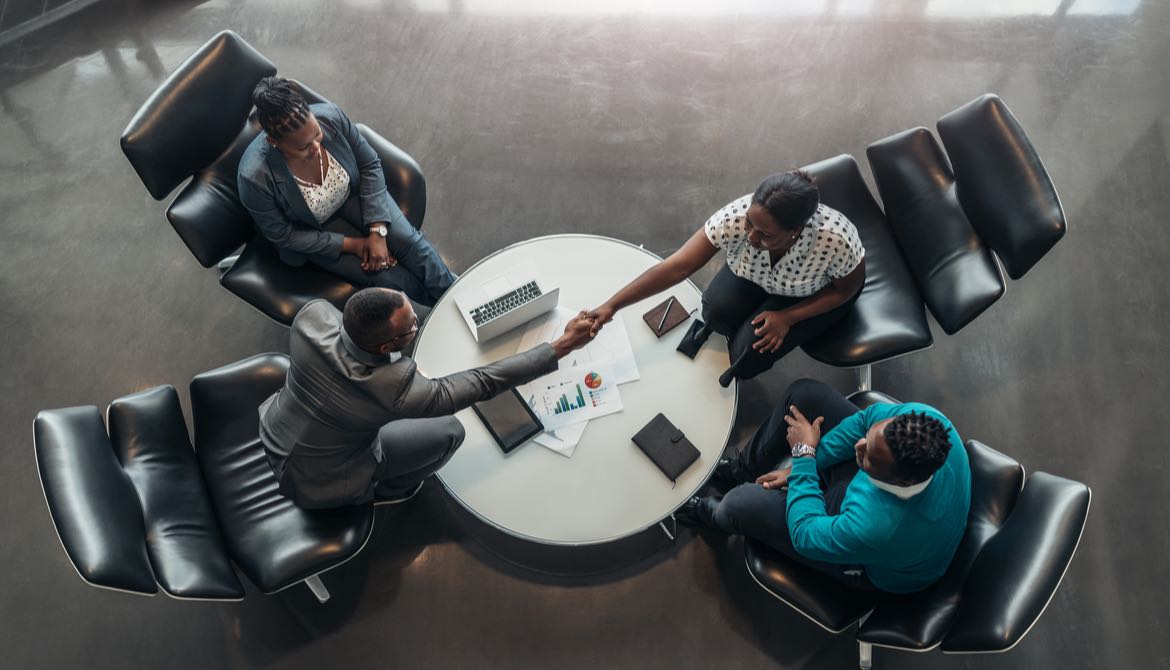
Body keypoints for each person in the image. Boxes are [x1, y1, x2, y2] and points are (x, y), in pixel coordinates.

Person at [258, 288, 596, 510]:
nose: (416, 323)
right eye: (411, 327)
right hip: (324, 479)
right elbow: (481, 383)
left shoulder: (312, 318)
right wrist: (562, 344)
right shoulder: (394, 388)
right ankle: (387, 490)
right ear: (387, 347)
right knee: (450, 431)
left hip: (275, 429)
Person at [677, 378, 971, 594]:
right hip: (875, 502)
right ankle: (742, 469)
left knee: (738, 504)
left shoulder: (874, 526)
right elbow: (862, 422)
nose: (860, 446)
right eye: (870, 439)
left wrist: (804, 456)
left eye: (869, 457)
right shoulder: (928, 422)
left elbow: (805, 534)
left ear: (902, 479)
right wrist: (801, 467)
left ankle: (708, 513)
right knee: (804, 394)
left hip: (877, 560)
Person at [587, 171, 865, 387]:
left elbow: (845, 291)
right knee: (715, 311)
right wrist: (612, 305)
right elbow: (678, 266)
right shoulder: (738, 217)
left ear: (795, 231)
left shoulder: (835, 240)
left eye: (765, 234)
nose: (752, 237)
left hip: (809, 294)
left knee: (749, 354)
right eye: (749, 224)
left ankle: (744, 356)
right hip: (753, 276)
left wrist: (788, 317)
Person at [238, 76, 454, 308]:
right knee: (387, 277)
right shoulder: (254, 178)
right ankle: (434, 315)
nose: (316, 148)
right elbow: (285, 236)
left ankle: (457, 297)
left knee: (411, 244)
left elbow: (369, 164)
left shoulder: (331, 116)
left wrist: (377, 232)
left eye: (317, 135)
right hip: (311, 227)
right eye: (303, 147)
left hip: (353, 195)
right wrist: (356, 245)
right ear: (273, 142)